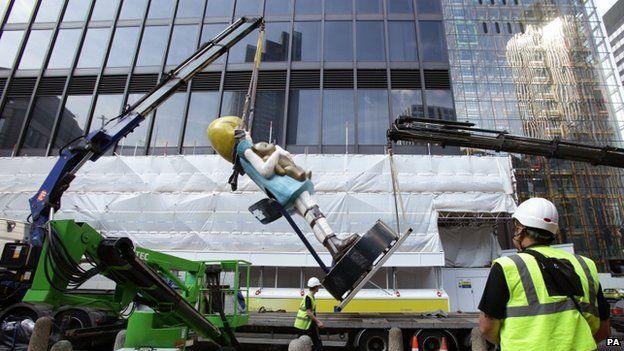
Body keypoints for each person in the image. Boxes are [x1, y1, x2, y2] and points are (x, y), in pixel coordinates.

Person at [207, 116, 358, 260]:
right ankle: (335, 244)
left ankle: (333, 247)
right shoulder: (244, 148)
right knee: (313, 212)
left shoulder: (243, 156)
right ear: (232, 136)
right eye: (243, 131)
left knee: (312, 217)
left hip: (281, 189)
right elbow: (265, 171)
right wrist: (278, 153)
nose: (247, 133)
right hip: (284, 187)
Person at [478, 197, 611, 351]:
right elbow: (604, 329)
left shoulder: (508, 266)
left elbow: (487, 327)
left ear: (521, 229)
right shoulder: (585, 265)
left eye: (516, 227)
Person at [294, 277, 324, 351]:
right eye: (318, 286)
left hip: (304, 325)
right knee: (317, 343)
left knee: (302, 345)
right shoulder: (309, 297)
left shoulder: (310, 296)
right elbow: (309, 312)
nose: (319, 287)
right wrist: (318, 322)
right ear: (315, 287)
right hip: (305, 325)